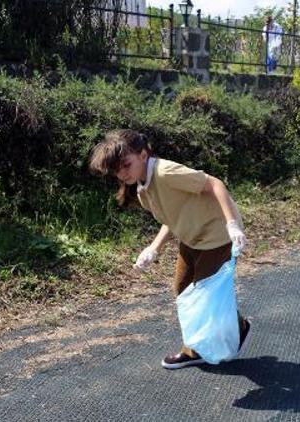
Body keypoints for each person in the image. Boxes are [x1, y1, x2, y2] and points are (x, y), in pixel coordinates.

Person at [89, 129, 251, 370]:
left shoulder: (166, 172)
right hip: (191, 237)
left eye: (126, 165)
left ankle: (197, 348)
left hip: (217, 235)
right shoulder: (143, 189)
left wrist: (232, 224)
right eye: (117, 170)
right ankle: (234, 329)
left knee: (204, 296)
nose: (123, 174)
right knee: (182, 289)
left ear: (143, 155)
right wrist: (153, 248)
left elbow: (215, 184)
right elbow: (172, 217)